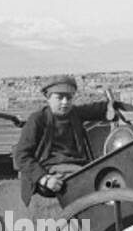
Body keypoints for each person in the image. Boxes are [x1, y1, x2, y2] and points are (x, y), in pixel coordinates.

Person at [12, 75, 111, 207]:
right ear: (48, 98)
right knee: (90, 181)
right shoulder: (37, 120)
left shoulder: (74, 113)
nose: (65, 102)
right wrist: (44, 179)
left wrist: (111, 107)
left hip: (75, 167)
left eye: (69, 98)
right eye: (59, 98)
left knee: (106, 174)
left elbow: (95, 108)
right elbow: (21, 156)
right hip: (48, 169)